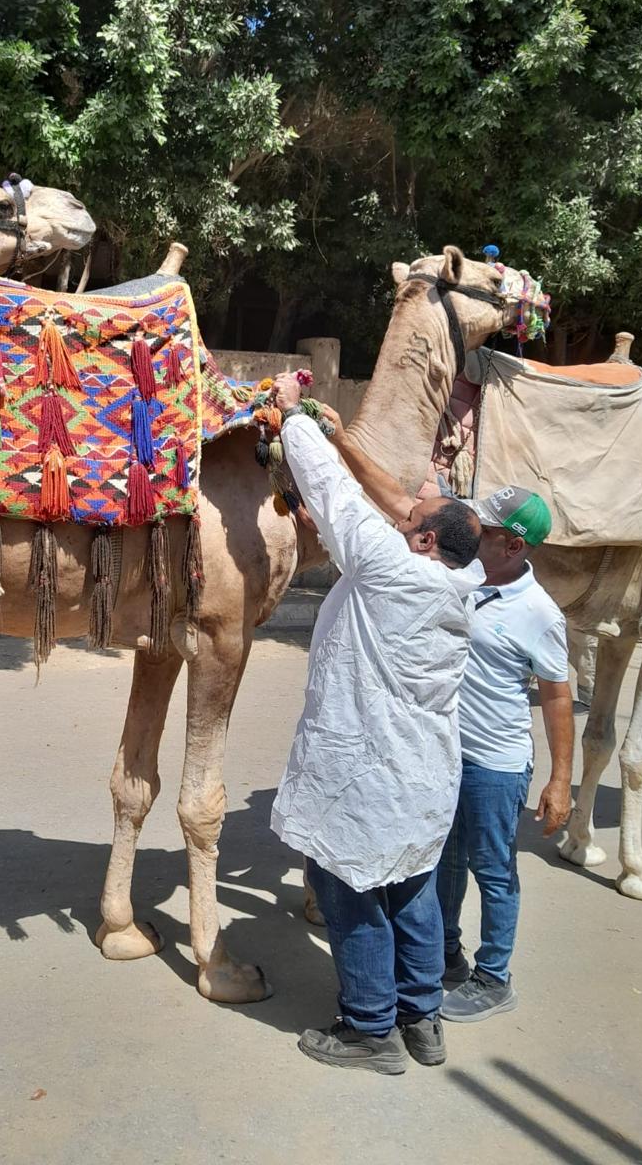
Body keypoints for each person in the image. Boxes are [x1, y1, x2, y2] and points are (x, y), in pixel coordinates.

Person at [270, 374, 484, 1076]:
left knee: (348, 886)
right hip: (422, 777)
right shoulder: (458, 580)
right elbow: (376, 517)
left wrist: (294, 416)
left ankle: (369, 1029)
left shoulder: (395, 568)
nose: (399, 518)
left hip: (365, 774)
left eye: (411, 518)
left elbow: (334, 494)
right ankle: (422, 1019)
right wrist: (343, 439)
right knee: (411, 890)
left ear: (425, 541)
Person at [436, 484, 574, 1023]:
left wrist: (560, 781)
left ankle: (494, 978)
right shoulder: (466, 577)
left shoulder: (540, 613)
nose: (473, 533)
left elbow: (557, 697)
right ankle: (445, 952)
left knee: (493, 870)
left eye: (486, 530)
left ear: (514, 546)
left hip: (495, 764)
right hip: (446, 755)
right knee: (445, 860)